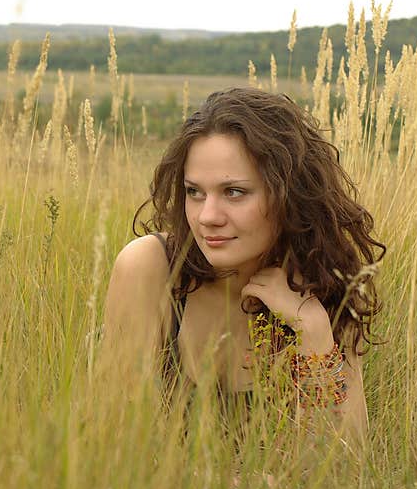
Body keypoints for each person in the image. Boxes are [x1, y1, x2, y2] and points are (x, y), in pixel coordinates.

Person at [101, 87, 385, 441]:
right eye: (194, 192)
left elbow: (344, 465)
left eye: (234, 192)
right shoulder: (150, 269)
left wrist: (314, 332)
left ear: (289, 196)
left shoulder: (323, 280)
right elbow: (116, 445)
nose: (207, 217)